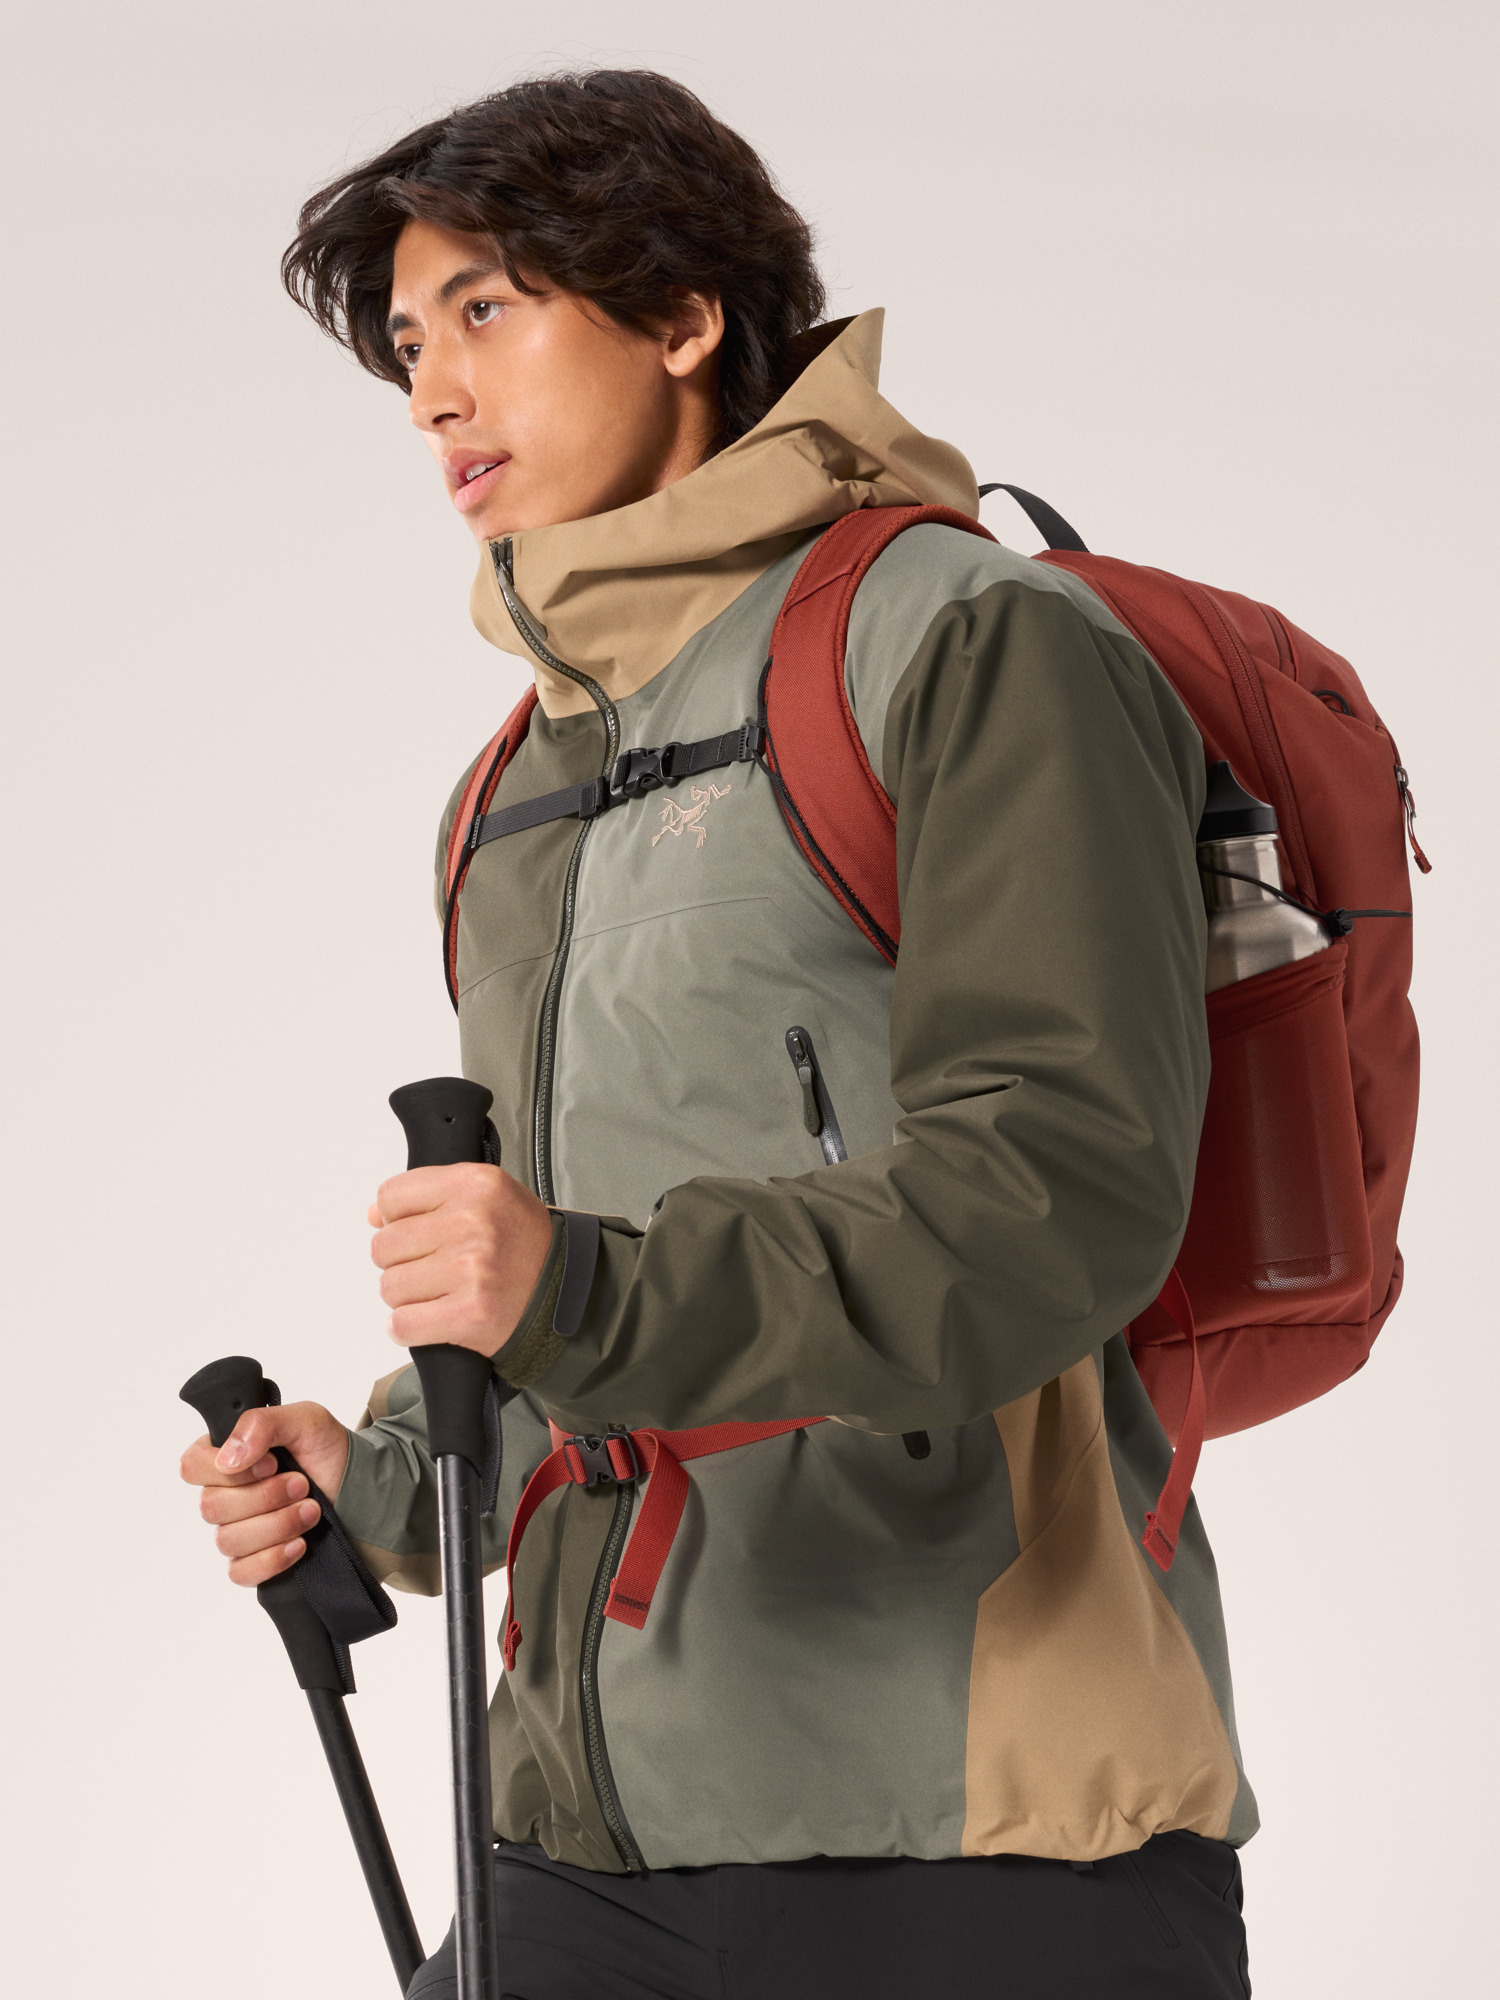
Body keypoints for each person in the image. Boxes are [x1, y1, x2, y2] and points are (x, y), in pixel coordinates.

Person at [180, 70, 1253, 1999]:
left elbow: (1060, 1193)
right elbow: (562, 1275)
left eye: (485, 311)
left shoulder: (967, 641)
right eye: (410, 346)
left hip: (983, 1839)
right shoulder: (520, 783)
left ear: (682, 316)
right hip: (581, 1833)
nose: (432, 394)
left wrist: (573, 1289)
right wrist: (393, 1474)